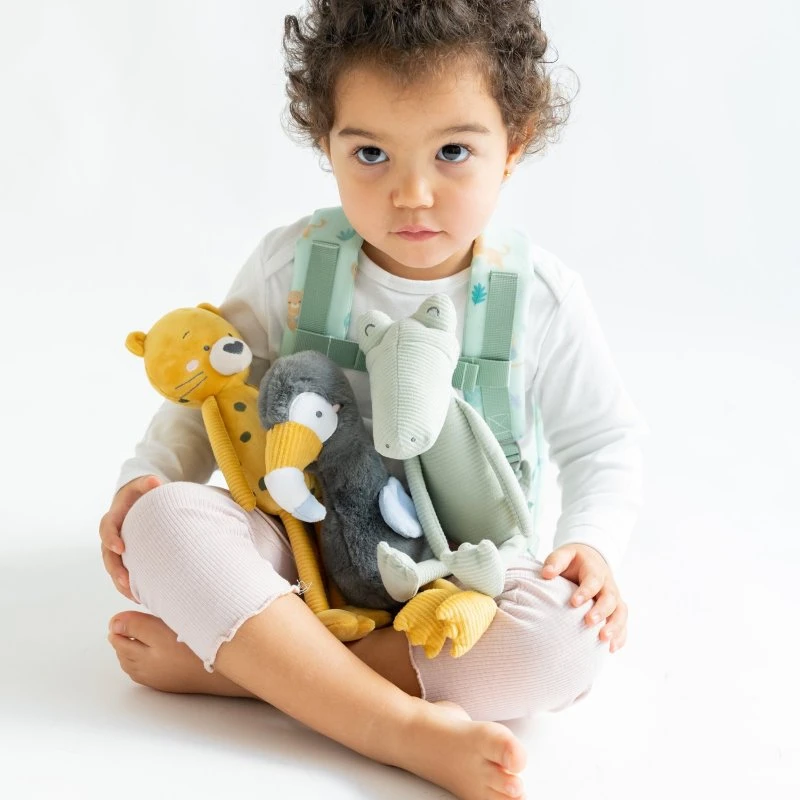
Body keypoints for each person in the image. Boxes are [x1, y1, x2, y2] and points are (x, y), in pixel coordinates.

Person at [99, 2, 645, 798]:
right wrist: (144, 479)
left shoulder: (538, 296)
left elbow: (603, 442)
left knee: (568, 640)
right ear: (327, 144)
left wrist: (591, 545)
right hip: (302, 550)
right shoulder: (293, 264)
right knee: (162, 521)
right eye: (371, 154)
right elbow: (204, 393)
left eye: (453, 151)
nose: (412, 193)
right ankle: (398, 727)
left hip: (462, 580)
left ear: (515, 145)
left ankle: (254, 665)